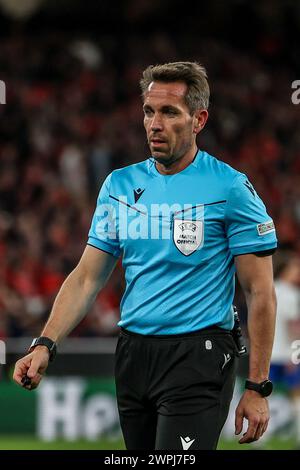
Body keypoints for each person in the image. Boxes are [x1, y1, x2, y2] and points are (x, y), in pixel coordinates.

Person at [13, 61, 277, 450]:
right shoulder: (118, 186)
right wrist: (45, 343)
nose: (155, 123)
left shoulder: (230, 188)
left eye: (170, 112)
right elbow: (87, 277)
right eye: (149, 111)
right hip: (134, 354)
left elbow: (260, 292)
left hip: (199, 354)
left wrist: (257, 386)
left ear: (198, 120)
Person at [270, 252, 300, 446]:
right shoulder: (290, 293)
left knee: (262, 396)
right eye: (296, 268)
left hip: (268, 355)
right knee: (296, 396)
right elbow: (294, 327)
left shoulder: (269, 289)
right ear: (286, 270)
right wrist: (295, 354)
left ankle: (259, 436)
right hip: (286, 354)